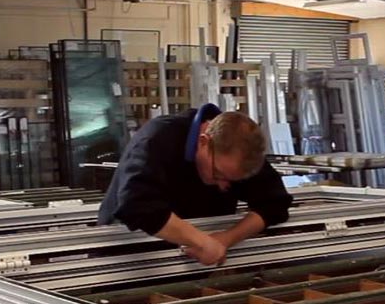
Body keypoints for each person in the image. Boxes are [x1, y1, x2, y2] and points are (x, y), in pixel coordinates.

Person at [97, 103, 292, 266]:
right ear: (203, 141)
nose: (223, 187)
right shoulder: (157, 139)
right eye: (218, 175)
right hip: (129, 260)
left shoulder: (241, 150)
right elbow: (138, 207)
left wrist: (226, 238)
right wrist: (203, 242)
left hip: (192, 262)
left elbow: (274, 204)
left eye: (234, 182)